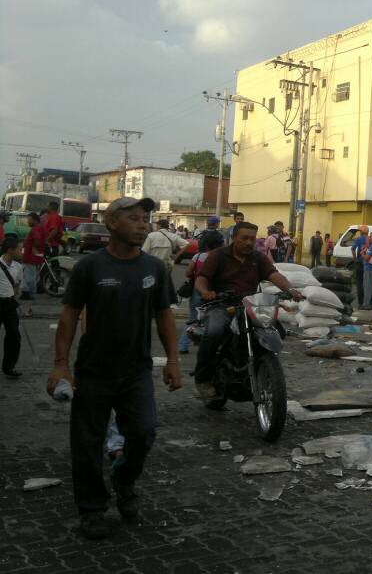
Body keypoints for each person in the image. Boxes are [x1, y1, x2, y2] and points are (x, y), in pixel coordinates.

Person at [46, 196, 181, 540]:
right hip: (93, 372)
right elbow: (69, 316)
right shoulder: (90, 267)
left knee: (144, 431)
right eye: (133, 218)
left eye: (145, 219)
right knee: (87, 443)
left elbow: (164, 314)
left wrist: (174, 361)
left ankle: (124, 478)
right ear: (111, 224)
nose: (142, 224)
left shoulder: (154, 268)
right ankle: (92, 509)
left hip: (136, 371)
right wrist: (61, 366)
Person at [192, 222, 303, 400]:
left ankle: (259, 367)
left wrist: (291, 290)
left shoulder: (258, 258)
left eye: (252, 239)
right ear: (234, 238)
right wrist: (206, 292)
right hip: (221, 304)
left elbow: (274, 275)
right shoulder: (218, 255)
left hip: (250, 303)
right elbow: (201, 279)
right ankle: (203, 378)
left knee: (277, 330)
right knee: (214, 331)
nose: (248, 243)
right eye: (244, 238)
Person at [178, 230, 223, 355]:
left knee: (193, 319)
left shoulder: (197, 256)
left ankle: (183, 346)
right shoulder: (220, 258)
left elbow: (187, 273)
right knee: (212, 320)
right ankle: (208, 347)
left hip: (196, 291)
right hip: (214, 292)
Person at [1, 237, 23, 377]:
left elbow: (17, 285)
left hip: (9, 304)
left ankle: (8, 367)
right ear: (10, 250)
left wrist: (16, 294)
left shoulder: (18, 267)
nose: (21, 252)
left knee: (14, 336)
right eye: (19, 249)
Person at [21, 212, 46, 306]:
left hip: (30, 256)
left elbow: (37, 239)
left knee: (28, 275)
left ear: (34, 220)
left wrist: (33, 248)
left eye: (29, 219)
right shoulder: (40, 227)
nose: (27, 221)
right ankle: (28, 292)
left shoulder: (36, 228)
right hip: (33, 256)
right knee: (31, 274)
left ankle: (28, 292)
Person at [351, 226, 371, 306]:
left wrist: (355, 259)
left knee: (359, 283)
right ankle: (366, 302)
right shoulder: (370, 239)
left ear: (361, 232)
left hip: (360, 263)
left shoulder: (358, 239)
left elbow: (353, 249)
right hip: (368, 263)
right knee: (367, 283)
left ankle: (360, 302)